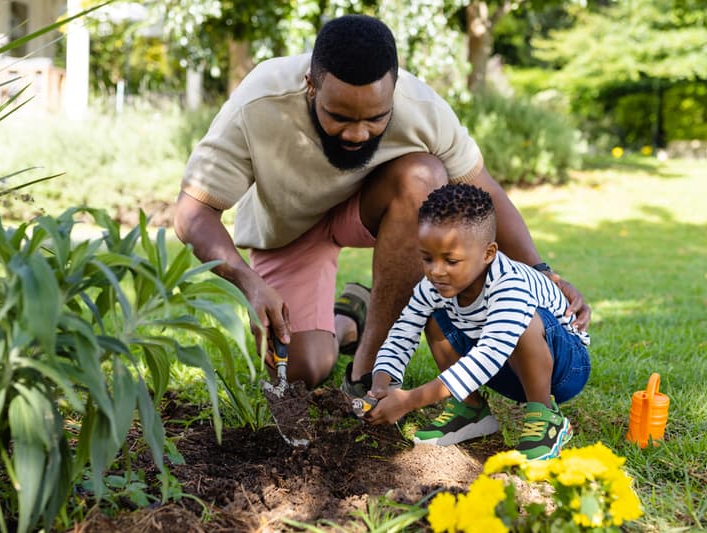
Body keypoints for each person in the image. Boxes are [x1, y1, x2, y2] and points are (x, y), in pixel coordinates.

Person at [173, 14, 590, 391]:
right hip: (288, 231)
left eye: (375, 118)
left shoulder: (422, 107)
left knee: (425, 176)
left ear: (392, 91)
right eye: (339, 116)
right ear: (310, 86)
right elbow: (193, 213)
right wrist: (249, 283)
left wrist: (542, 272)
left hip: (372, 210)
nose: (357, 134)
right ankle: (348, 318)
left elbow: (487, 195)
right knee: (304, 370)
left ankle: (367, 371)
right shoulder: (258, 102)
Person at [363, 183, 590, 460]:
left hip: (563, 369)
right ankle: (471, 409)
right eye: (427, 258)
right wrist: (381, 384)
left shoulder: (510, 285)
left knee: (524, 322)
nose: (436, 271)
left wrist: (410, 400)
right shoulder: (432, 287)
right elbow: (402, 333)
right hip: (504, 367)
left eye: (451, 260)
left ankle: (544, 416)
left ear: (488, 253)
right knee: (434, 317)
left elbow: (488, 355)